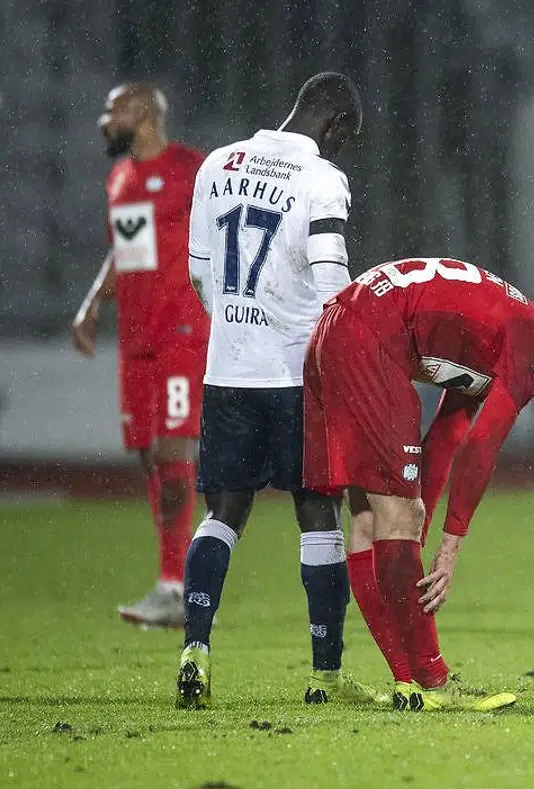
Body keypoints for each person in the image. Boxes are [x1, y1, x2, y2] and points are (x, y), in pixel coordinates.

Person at [304, 256, 534, 710]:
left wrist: (423, 522)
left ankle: (407, 683)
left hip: (333, 328)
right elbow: (481, 446)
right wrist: (450, 546)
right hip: (369, 334)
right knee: (389, 515)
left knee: (368, 516)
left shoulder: (501, 331)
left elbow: (448, 437)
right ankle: (432, 682)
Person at [176, 72, 372, 709]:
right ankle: (325, 676)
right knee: (318, 516)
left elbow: (201, 274)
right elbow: (332, 287)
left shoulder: (216, 164)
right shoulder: (321, 179)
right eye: (346, 139)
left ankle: (196, 649)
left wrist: (240, 328)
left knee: (222, 515)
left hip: (228, 371)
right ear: (337, 127)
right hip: (296, 377)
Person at [72, 84, 208, 629]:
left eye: (114, 110)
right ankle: (176, 582)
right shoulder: (121, 179)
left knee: (175, 457)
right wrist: (90, 306)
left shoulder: (193, 170)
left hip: (181, 331)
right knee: (152, 459)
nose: (105, 120)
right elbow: (127, 251)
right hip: (137, 339)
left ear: (145, 113)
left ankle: (177, 586)